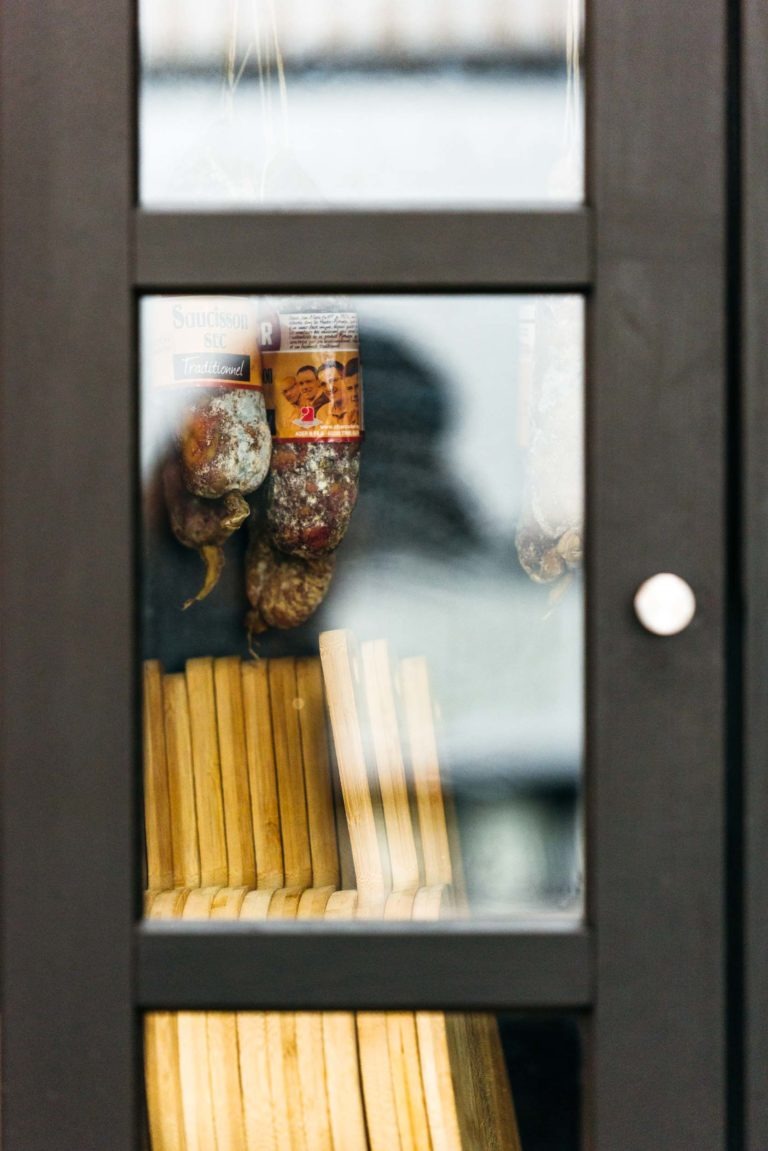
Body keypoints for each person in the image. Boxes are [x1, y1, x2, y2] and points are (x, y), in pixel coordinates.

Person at [319, 357, 360, 427]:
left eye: (332, 380)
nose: (329, 388)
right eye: (323, 384)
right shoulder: (322, 412)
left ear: (344, 380)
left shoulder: (357, 406)